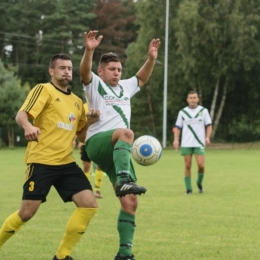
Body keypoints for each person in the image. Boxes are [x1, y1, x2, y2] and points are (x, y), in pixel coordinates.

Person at [0, 54, 100, 260]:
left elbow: (80, 135)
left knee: (89, 204)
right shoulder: (43, 89)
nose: (67, 71)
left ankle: (62, 256)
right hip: (41, 161)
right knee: (26, 213)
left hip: (66, 163)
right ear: (51, 71)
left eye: (70, 68)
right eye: (62, 68)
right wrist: (28, 125)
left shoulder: (77, 102)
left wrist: (89, 121)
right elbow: (22, 114)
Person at [80, 30, 161, 260]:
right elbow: (84, 71)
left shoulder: (125, 87)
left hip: (118, 152)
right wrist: (89, 50)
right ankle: (124, 179)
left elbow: (142, 78)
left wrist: (151, 58)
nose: (117, 73)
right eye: (112, 70)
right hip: (97, 142)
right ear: (101, 71)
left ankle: (124, 253)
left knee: (130, 202)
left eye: (119, 70)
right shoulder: (93, 84)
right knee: (126, 132)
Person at [173, 91, 212, 195]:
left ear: (198, 99)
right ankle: (189, 189)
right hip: (186, 143)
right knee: (187, 165)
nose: (192, 100)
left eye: (194, 98)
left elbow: (209, 125)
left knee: (201, 165)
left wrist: (207, 137)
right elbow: (177, 127)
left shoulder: (203, 111)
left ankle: (199, 182)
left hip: (199, 142)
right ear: (187, 100)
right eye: (190, 98)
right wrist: (176, 140)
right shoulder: (182, 112)